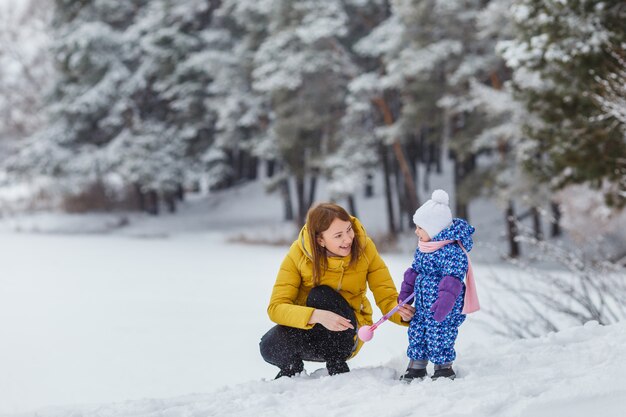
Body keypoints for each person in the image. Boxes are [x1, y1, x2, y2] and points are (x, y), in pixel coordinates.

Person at [260, 203, 415, 378]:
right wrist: (317, 316)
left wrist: (401, 313)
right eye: (338, 235)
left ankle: (337, 367)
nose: (348, 239)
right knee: (269, 344)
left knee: (321, 295)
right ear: (320, 240)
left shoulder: (364, 248)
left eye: (349, 230)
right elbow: (276, 307)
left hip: (348, 332)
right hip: (313, 329)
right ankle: (293, 372)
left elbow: (386, 296)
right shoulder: (298, 254)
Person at [398, 189, 479, 382]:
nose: (416, 231)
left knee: (440, 333)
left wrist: (444, 303)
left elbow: (452, 281)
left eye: (420, 227)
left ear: (435, 229)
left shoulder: (452, 252)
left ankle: (443, 367)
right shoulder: (424, 248)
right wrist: (405, 295)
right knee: (417, 331)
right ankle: (417, 365)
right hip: (423, 305)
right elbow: (413, 273)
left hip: (444, 306)